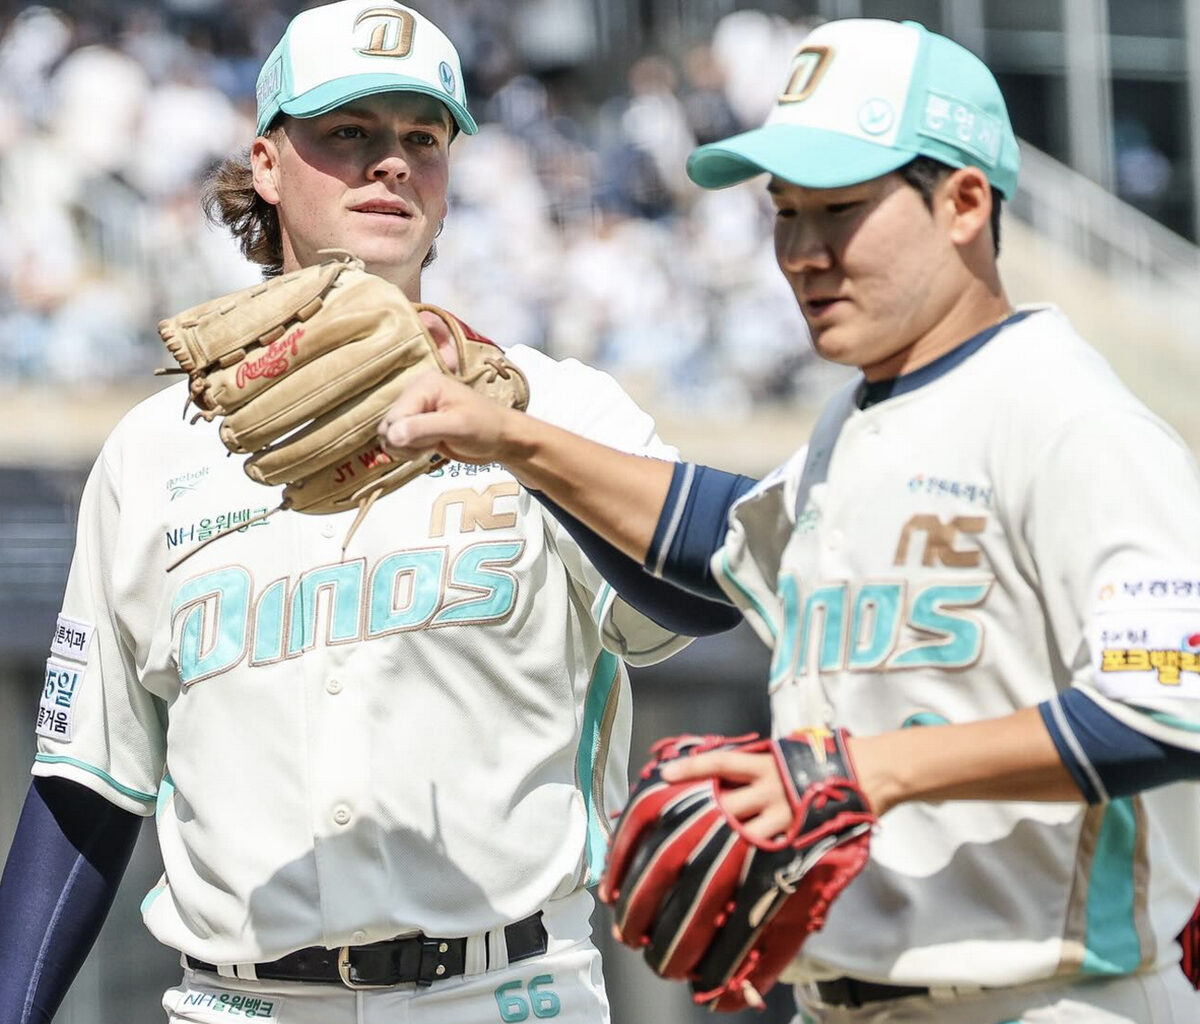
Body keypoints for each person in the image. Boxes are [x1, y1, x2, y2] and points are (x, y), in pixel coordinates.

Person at [375, 18, 1200, 1024]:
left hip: (1055, 996)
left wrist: (864, 771)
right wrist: (509, 437)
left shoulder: (1069, 418)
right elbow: (722, 535)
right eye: (785, 214)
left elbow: (1170, 704)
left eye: (840, 211)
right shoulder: (860, 423)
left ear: (965, 203)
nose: (803, 253)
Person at [0, 3, 737, 1021]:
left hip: (506, 990)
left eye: (422, 138)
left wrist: (518, 441)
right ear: (267, 164)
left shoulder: (555, 406)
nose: (392, 161)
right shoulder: (154, 449)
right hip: (240, 1002)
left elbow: (710, 594)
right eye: (348, 131)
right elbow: (87, 780)